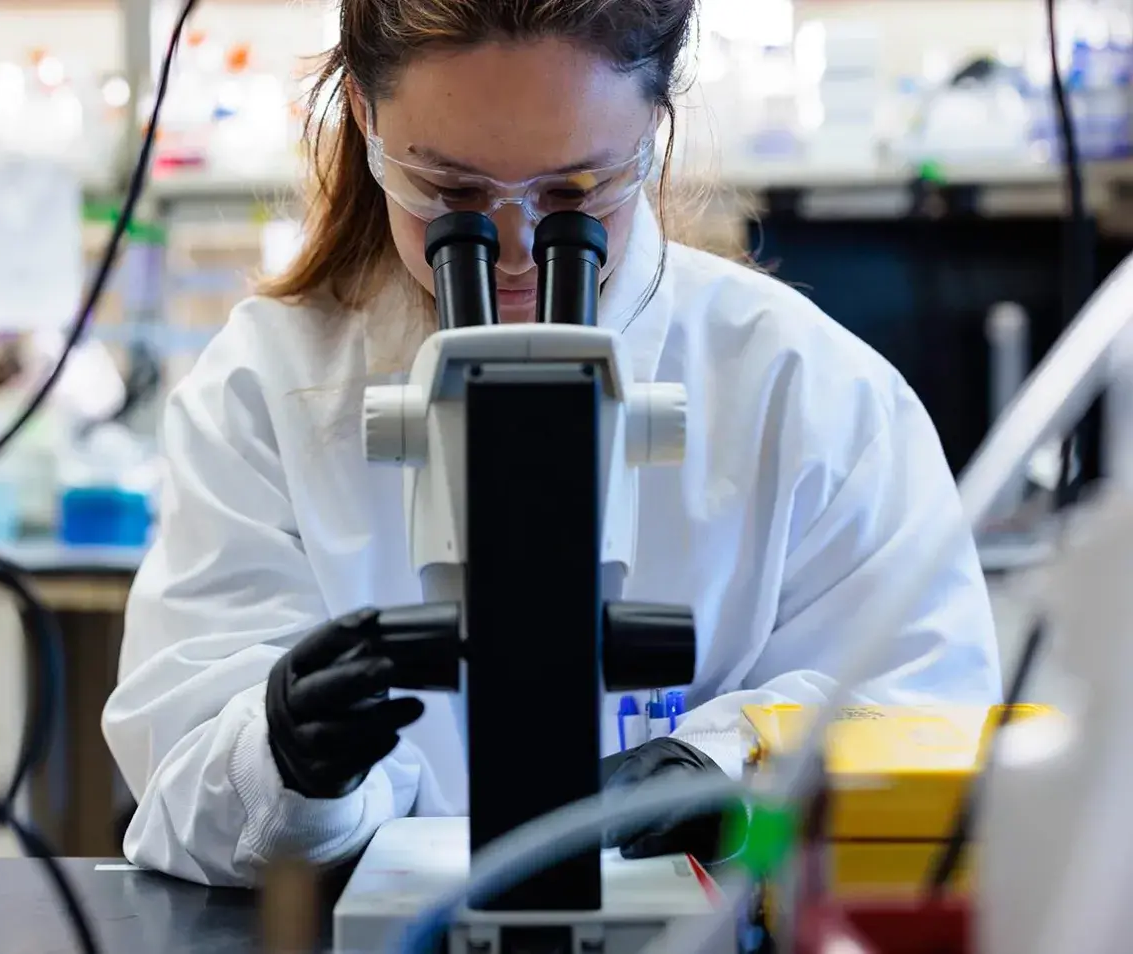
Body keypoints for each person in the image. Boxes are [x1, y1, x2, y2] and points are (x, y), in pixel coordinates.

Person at [102, 0, 1001, 887]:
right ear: (369, 121)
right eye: (451, 195)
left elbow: (929, 710)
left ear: (653, 128)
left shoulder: (809, 390)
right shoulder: (267, 387)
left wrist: (724, 767)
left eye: (575, 195)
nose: (516, 248)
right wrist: (286, 761)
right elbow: (182, 776)